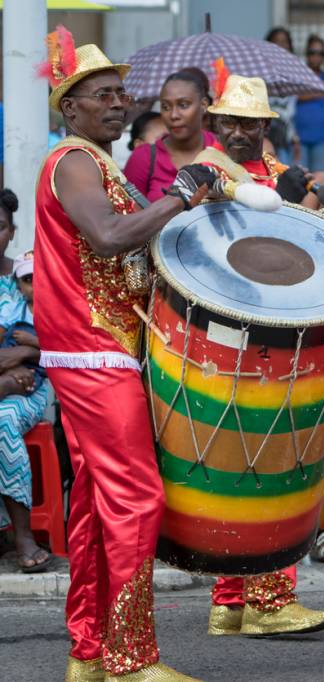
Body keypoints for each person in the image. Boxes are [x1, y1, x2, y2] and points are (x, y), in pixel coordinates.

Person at [35, 28, 212, 681]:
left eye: (119, 93)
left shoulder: (99, 160)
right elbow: (109, 238)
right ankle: (132, 658)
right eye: (100, 95)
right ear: (69, 107)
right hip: (90, 348)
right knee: (137, 496)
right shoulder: (74, 160)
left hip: (100, 347)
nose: (117, 103)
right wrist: (177, 195)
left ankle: (89, 652)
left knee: (95, 504)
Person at [192, 70, 324, 639]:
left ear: (267, 126)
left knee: (257, 459)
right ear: (215, 124)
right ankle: (266, 602)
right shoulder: (203, 172)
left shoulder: (280, 174)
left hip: (282, 328)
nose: (244, 132)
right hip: (232, 331)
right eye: (233, 122)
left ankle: (231, 604)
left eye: (254, 123)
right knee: (255, 462)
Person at [0, 208, 56, 575]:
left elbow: (65, 342)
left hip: (29, 387)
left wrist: (26, 352)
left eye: (1, 226)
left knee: (3, 421)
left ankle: (22, 536)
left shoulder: (31, 276)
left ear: (13, 230)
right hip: (9, 378)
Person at [124, 70, 216, 203]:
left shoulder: (220, 149)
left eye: (183, 105)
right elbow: (130, 216)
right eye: (165, 107)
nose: (173, 115)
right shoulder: (143, 157)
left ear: (204, 105)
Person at [294, 34, 324, 171]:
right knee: (301, 180)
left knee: (319, 180)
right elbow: (294, 96)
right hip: (300, 139)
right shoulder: (299, 74)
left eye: (321, 53)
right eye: (312, 53)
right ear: (307, 54)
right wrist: (320, 92)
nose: (316, 57)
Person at [264, 27, 300, 165]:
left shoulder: (293, 71)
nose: (280, 45)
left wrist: (294, 137)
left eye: (284, 41)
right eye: (276, 41)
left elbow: (291, 111)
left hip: (284, 135)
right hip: (265, 130)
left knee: (284, 171)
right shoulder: (261, 69)